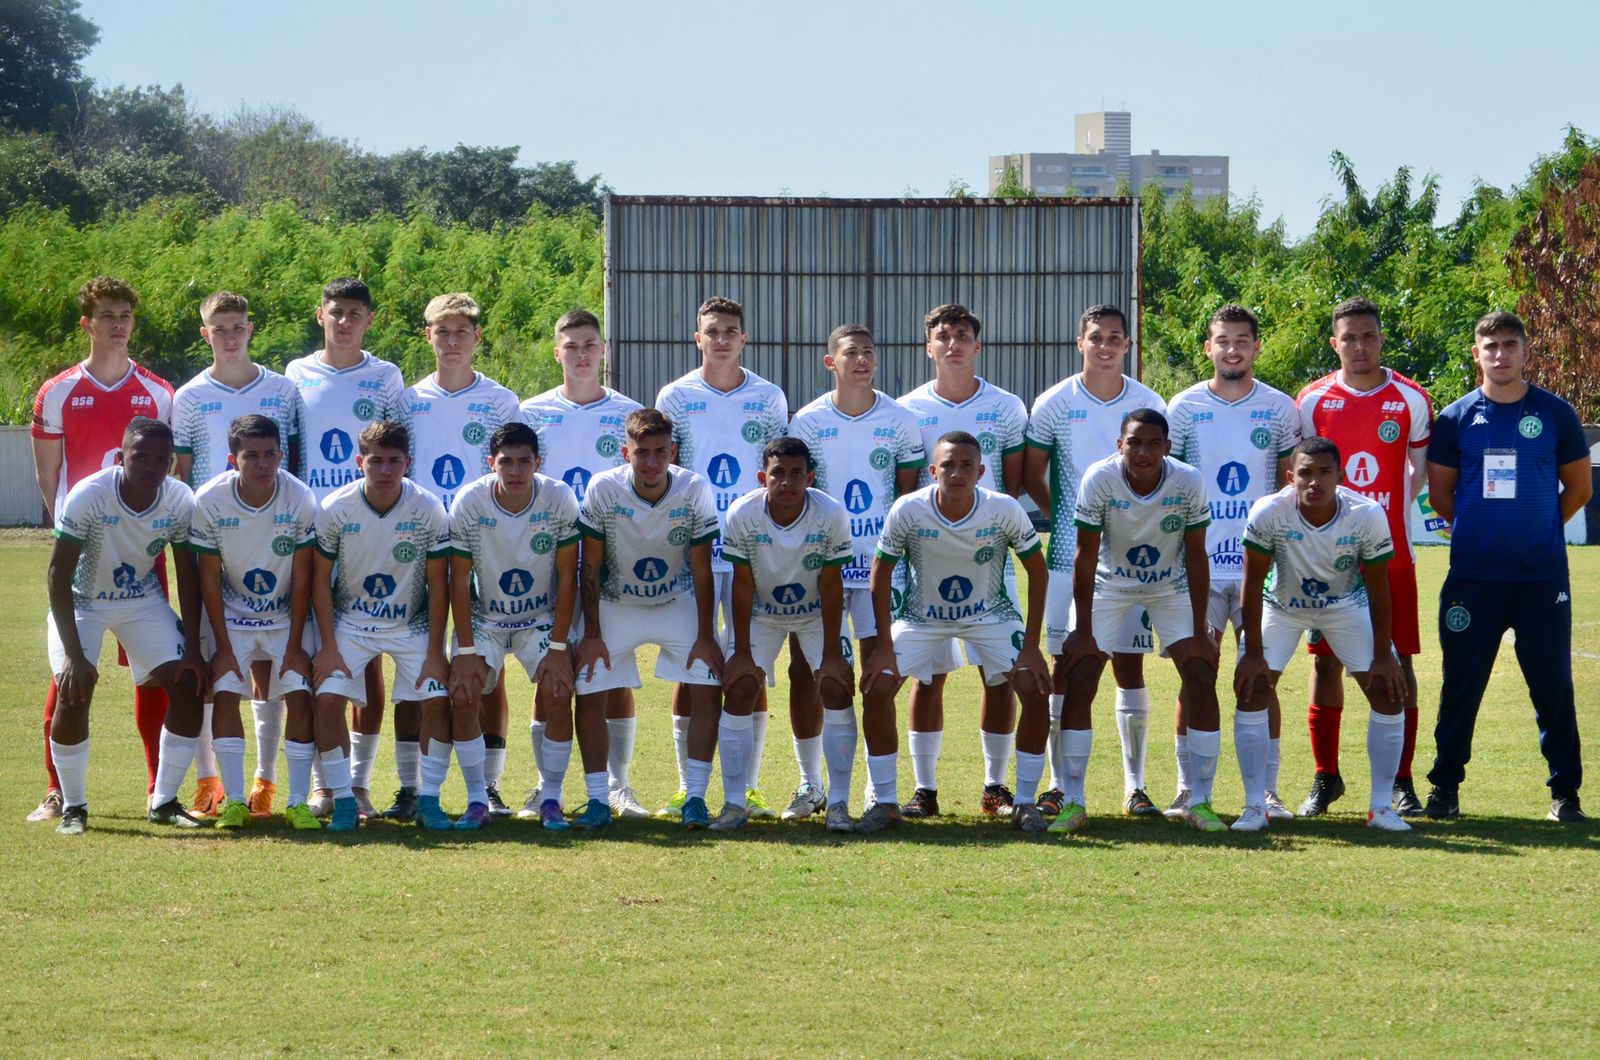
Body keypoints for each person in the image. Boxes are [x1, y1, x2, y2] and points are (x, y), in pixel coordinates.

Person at [1423, 311, 1592, 822]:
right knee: (1460, 687)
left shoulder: (1556, 414)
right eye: (1491, 346)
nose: (1500, 355)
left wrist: (1539, 528)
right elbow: (1441, 495)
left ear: (1525, 350)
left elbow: (1580, 489)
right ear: (1477, 354)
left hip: (1541, 579)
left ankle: (1565, 795)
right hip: (1474, 580)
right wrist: (1482, 531)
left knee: (1554, 689)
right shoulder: (1454, 419)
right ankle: (1445, 789)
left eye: (1509, 345)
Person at [28, 276, 175, 823]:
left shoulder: (159, 393)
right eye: (108, 315)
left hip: (141, 552)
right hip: (84, 554)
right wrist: (78, 530)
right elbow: (49, 479)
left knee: (155, 673)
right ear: (87, 323)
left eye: (126, 315)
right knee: (68, 671)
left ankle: (160, 787)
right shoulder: (58, 390)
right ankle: (56, 791)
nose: (118, 324)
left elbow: (168, 471)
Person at [858, 432, 1055, 835]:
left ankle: (1024, 803)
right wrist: (881, 647)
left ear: (981, 472)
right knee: (878, 687)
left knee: (1034, 688)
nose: (957, 472)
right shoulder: (909, 509)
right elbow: (880, 573)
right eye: (948, 465)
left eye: (967, 465)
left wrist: (1032, 647)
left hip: (991, 615)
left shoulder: (1002, 509)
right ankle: (886, 802)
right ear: (933, 471)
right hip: (922, 617)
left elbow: (1037, 570)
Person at [1023, 303, 1167, 819]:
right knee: (1068, 666)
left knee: (1129, 664)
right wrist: (1068, 516)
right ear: (1079, 343)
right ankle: (1061, 786)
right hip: (1068, 556)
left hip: (1134, 562)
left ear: (1127, 345)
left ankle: (1136, 787)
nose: (1105, 345)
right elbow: (1032, 474)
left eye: (1115, 338)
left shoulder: (1148, 401)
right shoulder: (1054, 402)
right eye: (1096, 337)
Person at [172, 290, 306, 817]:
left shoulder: (282, 389)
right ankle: (211, 783)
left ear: (251, 329)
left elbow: (293, 456)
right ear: (205, 334)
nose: (230, 336)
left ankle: (267, 785)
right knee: (213, 671)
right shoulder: (188, 396)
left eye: (238, 326)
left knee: (271, 677)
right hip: (212, 534)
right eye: (219, 328)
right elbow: (181, 474)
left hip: (272, 532)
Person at [1234, 437, 1412, 832]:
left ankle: (1381, 808)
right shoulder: (1269, 512)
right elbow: (1252, 581)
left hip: (1345, 606)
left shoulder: (1365, 514)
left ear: (1341, 476)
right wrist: (1253, 652)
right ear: (1290, 477)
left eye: (1325, 472)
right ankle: (1254, 806)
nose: (1315, 482)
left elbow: (1379, 587)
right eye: (1306, 473)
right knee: (1253, 688)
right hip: (1280, 606)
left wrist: (1384, 654)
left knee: (1386, 691)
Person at [1297, 297, 1433, 816]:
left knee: (1399, 663)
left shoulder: (1411, 399)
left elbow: (1416, 476)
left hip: (1392, 557)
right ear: (1335, 343)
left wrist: (1380, 517)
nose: (1359, 346)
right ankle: (1325, 776)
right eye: (1348, 338)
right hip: (1327, 561)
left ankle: (1401, 780)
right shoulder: (1311, 401)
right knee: (1326, 662)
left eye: (1368, 336)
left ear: (1381, 339)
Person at [1056, 409, 1222, 833]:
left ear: (1168, 447)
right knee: (1080, 674)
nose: (1143, 452)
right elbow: (1085, 555)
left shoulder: (1188, 481)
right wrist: (1083, 630)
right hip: (1110, 585)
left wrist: (1202, 629)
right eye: (1134, 442)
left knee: (1201, 674)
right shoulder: (1099, 478)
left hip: (1170, 586)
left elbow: (1198, 555)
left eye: (1153, 443)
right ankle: (1073, 801)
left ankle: (1199, 801)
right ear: (1120, 445)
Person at [784, 323, 924, 820]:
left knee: (878, 674)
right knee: (808, 672)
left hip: (880, 569)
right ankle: (810, 784)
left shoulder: (901, 420)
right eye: (851, 353)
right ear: (831, 363)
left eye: (869, 352)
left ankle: (875, 789)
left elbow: (906, 497)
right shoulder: (806, 420)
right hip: (819, 567)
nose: (862, 360)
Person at [1165, 305, 1300, 820]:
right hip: (1195, 568)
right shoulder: (1183, 407)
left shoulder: (1281, 409)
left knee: (1260, 679)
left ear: (1256, 347)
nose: (1233, 349)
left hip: (1259, 570)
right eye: (1223, 341)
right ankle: (1187, 789)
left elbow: (1294, 484)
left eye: (1242, 340)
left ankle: (1266, 791)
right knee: (1195, 676)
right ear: (1208, 348)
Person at [655, 297, 788, 818]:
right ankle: (688, 786)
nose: (722, 339)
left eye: (731, 330)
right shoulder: (676, 395)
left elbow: (775, 469)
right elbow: (669, 466)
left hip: (752, 547)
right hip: (695, 546)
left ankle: (747, 785)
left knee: (746, 663)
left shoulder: (769, 396)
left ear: (744, 338)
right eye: (713, 331)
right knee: (693, 662)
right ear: (698, 338)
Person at [897, 304, 1031, 818]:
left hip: (989, 557)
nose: (953, 344)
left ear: (978, 345)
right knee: (927, 674)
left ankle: (996, 786)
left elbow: (1013, 484)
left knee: (999, 674)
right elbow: (907, 488)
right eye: (943, 336)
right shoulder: (907, 409)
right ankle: (924, 790)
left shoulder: (1006, 406)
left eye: (962, 336)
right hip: (928, 559)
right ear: (928, 347)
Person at [45, 417, 206, 835]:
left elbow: (187, 573)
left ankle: (165, 801)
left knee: (188, 684)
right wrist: (75, 656)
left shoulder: (178, 499)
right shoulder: (90, 495)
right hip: (83, 602)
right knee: (73, 689)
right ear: (121, 457)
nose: (151, 466)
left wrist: (192, 646)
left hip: (141, 600)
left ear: (171, 464)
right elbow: (57, 575)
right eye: (141, 456)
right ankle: (74, 807)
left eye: (161, 459)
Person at [286, 278, 407, 818]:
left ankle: (357, 784)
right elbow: (290, 449)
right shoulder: (296, 373)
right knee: (319, 658)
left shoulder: (385, 377)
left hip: (369, 529)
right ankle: (321, 784)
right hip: (313, 526)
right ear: (321, 315)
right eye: (336, 312)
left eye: (355, 313)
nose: (344, 321)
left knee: (371, 664)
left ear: (369, 320)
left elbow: (398, 450)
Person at [519, 309, 646, 818]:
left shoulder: (629, 411)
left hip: (607, 560)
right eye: (571, 345)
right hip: (543, 558)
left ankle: (618, 784)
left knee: (609, 670)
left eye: (590, 344)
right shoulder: (529, 412)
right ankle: (543, 784)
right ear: (557, 352)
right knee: (549, 671)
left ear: (603, 350)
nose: (581, 354)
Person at [571, 408, 723, 829]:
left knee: (708, 682)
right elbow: (590, 566)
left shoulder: (694, 488)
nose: (652, 463)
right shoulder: (603, 488)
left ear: (673, 452)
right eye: (642, 453)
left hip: (677, 600)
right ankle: (599, 799)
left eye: (661, 452)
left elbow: (702, 567)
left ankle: (695, 797)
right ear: (626, 453)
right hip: (618, 602)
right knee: (589, 684)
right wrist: (593, 633)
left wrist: (707, 636)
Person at [400, 292, 521, 817]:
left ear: (477, 338)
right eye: (441, 332)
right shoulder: (405, 400)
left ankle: (488, 787)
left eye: (462, 332)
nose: (452, 341)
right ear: (428, 336)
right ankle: (409, 787)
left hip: (480, 548)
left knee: (484, 670)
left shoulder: (501, 401)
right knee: (414, 669)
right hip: (418, 548)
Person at [309, 420, 452, 832]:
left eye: (394, 462)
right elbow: (320, 579)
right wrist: (329, 647)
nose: (385, 471)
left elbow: (439, 583)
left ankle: (430, 800)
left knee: (436, 700)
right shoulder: (335, 507)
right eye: (376, 461)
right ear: (360, 462)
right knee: (330, 700)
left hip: (411, 624)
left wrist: (434, 652)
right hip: (350, 624)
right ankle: (343, 801)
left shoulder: (427, 508)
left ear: (408, 463)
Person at [712, 438, 857, 832]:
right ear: (763, 477)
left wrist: (830, 655)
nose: (787, 481)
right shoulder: (742, 514)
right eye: (778, 473)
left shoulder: (830, 514)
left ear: (810, 478)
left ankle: (838, 803)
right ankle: (734, 804)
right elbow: (740, 586)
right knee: (741, 687)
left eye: (797, 474)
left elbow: (831, 586)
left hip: (815, 614)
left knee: (836, 687)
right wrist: (741, 652)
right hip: (762, 614)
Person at [447, 422, 582, 831]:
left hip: (538, 619)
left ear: (538, 463)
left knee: (559, 690)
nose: (516, 471)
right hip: (486, 618)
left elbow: (567, 577)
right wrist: (467, 652)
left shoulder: (558, 498)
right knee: (465, 692)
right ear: (492, 464)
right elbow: (457, 580)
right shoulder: (470, 501)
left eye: (525, 461)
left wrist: (559, 648)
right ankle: (477, 799)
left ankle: (551, 797)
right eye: (506, 462)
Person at [188, 415, 320, 829]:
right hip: (232, 615)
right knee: (225, 692)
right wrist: (223, 647)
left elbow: (303, 574)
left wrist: (296, 643)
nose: (263, 464)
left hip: (286, 616)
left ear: (281, 455)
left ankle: (297, 801)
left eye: (270, 455)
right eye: (251, 456)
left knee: (299, 693)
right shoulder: (209, 500)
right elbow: (207, 575)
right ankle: (235, 802)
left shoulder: (299, 497)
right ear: (233, 459)